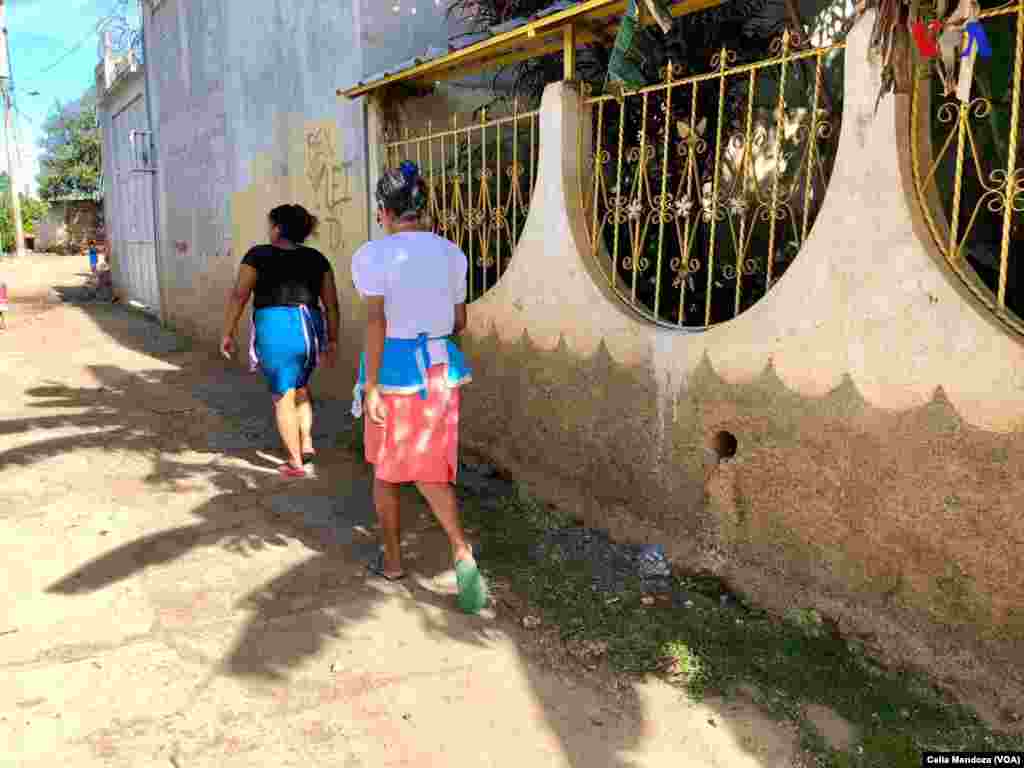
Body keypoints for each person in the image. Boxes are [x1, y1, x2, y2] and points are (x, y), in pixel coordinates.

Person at [350, 161, 485, 614]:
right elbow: (460, 321)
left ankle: (392, 561)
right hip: (441, 372)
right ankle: (461, 550)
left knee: (387, 470)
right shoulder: (452, 253)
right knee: (431, 469)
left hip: (392, 374)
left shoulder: (372, 255)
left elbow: (376, 319)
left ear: (384, 211)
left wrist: (370, 386)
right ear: (422, 209)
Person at [220, 204, 340, 478]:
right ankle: (306, 442)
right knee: (300, 388)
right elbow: (331, 305)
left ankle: (295, 462)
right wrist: (332, 339)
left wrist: (227, 332)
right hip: (310, 329)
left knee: (282, 396)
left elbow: (239, 295)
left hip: (276, 331)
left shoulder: (257, 255)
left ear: (277, 229)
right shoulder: (317, 258)